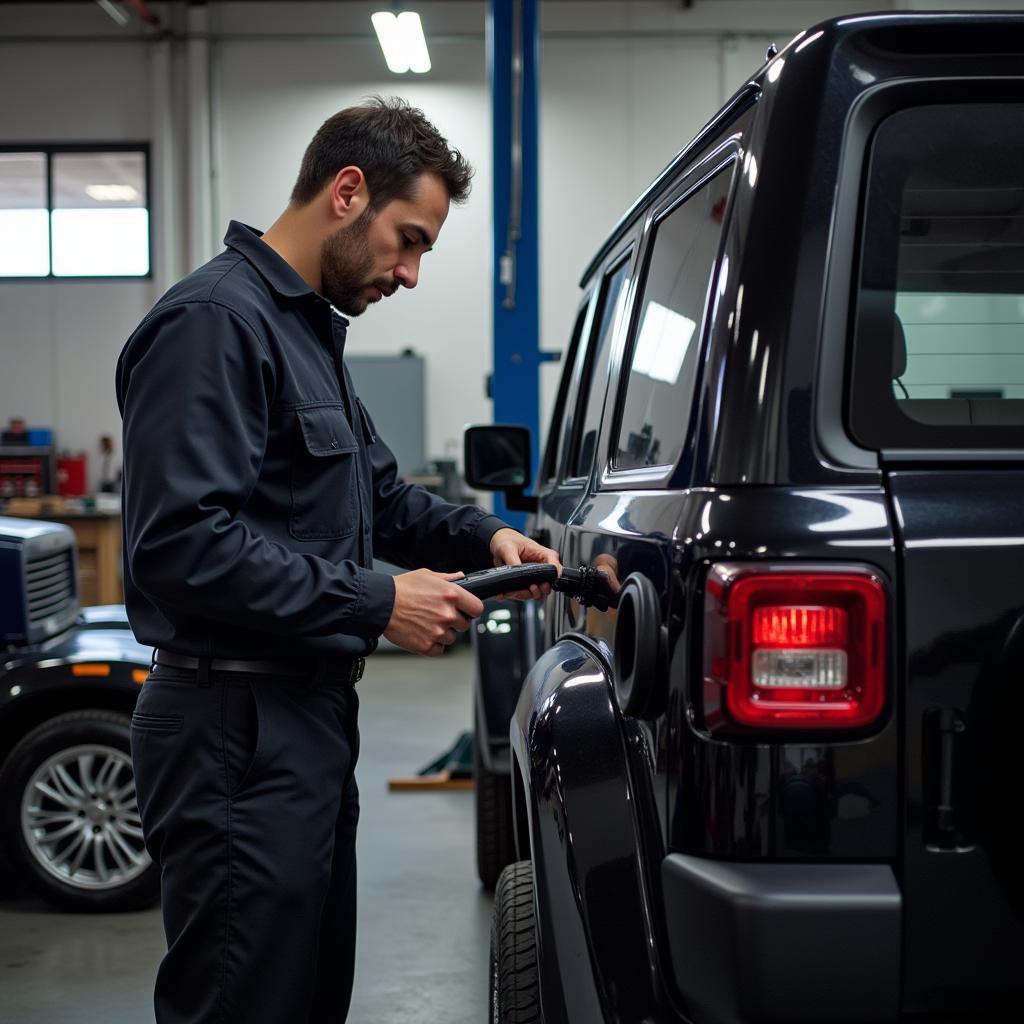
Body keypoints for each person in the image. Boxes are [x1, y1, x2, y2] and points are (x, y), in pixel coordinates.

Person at [116, 96, 559, 1024]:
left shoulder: (306, 332)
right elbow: (179, 546)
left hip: (304, 719)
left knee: (308, 996)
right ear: (347, 192)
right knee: (244, 1003)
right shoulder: (214, 324)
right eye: (409, 240)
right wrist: (375, 602)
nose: (408, 272)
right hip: (232, 728)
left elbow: (379, 499)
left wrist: (484, 536)